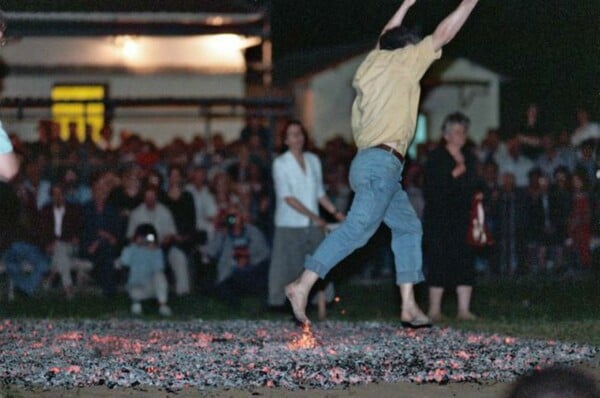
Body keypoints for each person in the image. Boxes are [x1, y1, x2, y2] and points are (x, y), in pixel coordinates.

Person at [285, 0, 480, 325]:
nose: (417, 48)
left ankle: (408, 305)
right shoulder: (405, 60)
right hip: (381, 164)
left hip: (371, 165)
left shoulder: (371, 63)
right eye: (412, 44)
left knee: (407, 227)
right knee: (358, 229)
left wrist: (405, 4)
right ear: (405, 46)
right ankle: (303, 283)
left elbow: (383, 37)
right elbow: (443, 34)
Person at [268, 120, 345, 318]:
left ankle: (321, 307)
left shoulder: (313, 160)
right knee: (292, 269)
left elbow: (319, 193)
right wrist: (315, 216)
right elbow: (288, 198)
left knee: (320, 263)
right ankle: (291, 309)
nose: (298, 138)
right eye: (293, 135)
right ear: (285, 140)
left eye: (300, 134)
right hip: (290, 224)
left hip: (313, 224)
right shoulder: (280, 163)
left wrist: (336, 212)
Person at [423, 112, 480, 322]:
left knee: (465, 261)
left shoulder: (471, 157)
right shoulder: (436, 157)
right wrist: (454, 174)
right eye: (457, 131)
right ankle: (434, 309)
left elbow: (475, 184)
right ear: (446, 135)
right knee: (439, 261)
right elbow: (431, 189)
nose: (461, 135)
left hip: (463, 218)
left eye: (464, 131)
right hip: (440, 219)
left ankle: (464, 310)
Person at [203, 202, 270, 308]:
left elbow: (264, 254)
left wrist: (246, 258)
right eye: (230, 216)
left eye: (235, 215)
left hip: (250, 271)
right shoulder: (224, 233)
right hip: (230, 274)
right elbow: (209, 252)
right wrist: (220, 234)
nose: (232, 219)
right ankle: (234, 303)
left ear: (242, 216)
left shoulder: (253, 232)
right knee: (220, 285)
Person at [116, 223, 172, 317]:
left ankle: (163, 305)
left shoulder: (156, 250)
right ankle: (136, 304)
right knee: (135, 292)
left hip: (152, 286)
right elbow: (124, 262)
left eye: (148, 237)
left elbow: (159, 268)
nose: (145, 239)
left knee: (159, 276)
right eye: (143, 237)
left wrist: (154, 252)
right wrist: (133, 246)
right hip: (137, 285)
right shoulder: (132, 249)